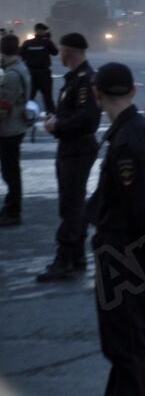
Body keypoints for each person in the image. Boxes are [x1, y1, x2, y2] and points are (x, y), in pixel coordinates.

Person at [86, 62, 145, 396]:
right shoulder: (144, 130)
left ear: (97, 94)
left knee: (124, 344)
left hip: (120, 251)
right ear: (133, 90)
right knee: (127, 342)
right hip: (129, 248)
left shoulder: (126, 141)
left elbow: (144, 206)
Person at [37, 33, 103, 282]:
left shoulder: (85, 80)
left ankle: (64, 259)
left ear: (70, 52)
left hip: (78, 148)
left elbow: (88, 120)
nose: (59, 54)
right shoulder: (76, 78)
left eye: (62, 50)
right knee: (72, 203)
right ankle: (75, 256)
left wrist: (58, 125)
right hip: (71, 147)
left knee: (71, 205)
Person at [0, 34, 33, 226]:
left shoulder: (12, 75)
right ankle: (11, 208)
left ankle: (13, 211)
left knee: (10, 172)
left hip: (9, 128)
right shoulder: (20, 68)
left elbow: (3, 106)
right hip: (16, 126)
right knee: (11, 170)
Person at [20, 22, 58, 137]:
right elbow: (55, 52)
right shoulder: (47, 42)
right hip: (44, 72)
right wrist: (49, 39)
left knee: (29, 97)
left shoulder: (27, 43)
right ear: (40, 31)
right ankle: (51, 118)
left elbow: (21, 55)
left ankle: (25, 117)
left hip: (31, 72)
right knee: (47, 97)